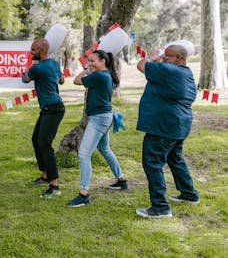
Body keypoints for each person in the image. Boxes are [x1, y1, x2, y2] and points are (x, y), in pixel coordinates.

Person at [135, 44, 199, 219]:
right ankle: (189, 194)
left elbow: (141, 65)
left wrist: (153, 56)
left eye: (167, 56)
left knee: (152, 162)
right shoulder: (186, 73)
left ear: (179, 57)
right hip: (178, 124)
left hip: (163, 125)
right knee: (175, 158)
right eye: (163, 56)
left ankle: (160, 207)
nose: (163, 59)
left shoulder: (170, 70)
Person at [67, 50, 127, 207]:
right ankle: (121, 180)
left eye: (92, 60)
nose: (89, 62)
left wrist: (87, 69)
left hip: (99, 119)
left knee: (84, 154)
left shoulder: (99, 75)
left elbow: (76, 81)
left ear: (103, 61)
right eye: (88, 60)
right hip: (104, 116)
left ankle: (83, 194)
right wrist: (90, 67)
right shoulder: (106, 74)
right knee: (105, 149)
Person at [22, 38, 65, 198]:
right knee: (36, 139)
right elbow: (61, 80)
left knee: (44, 144)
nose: (30, 52)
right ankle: (45, 175)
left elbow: (25, 79)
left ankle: (54, 186)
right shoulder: (54, 64)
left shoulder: (37, 68)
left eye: (33, 50)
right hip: (51, 108)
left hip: (53, 109)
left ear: (42, 51)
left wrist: (29, 69)